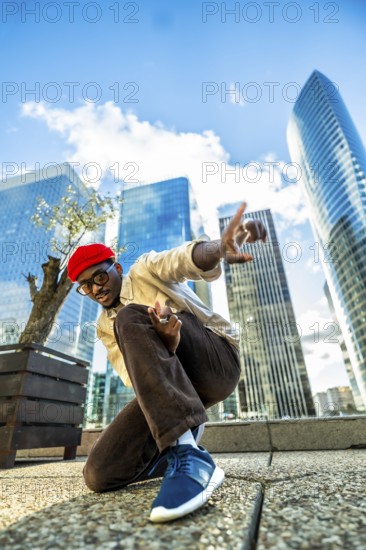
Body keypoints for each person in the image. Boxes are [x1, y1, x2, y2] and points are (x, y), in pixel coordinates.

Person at [67, 202, 266, 522]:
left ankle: (189, 454)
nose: (95, 289)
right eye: (86, 286)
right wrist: (165, 350)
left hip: (215, 361)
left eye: (99, 276)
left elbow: (183, 260)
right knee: (99, 474)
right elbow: (136, 379)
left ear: (116, 268)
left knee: (132, 316)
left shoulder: (145, 270)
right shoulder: (105, 328)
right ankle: (176, 446)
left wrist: (218, 247)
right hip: (170, 389)